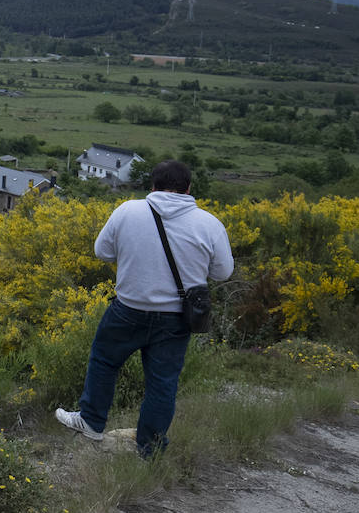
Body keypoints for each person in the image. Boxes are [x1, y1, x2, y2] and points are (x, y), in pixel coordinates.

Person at [55, 160, 234, 457]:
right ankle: (149, 450)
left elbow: (102, 252)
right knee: (162, 385)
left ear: (152, 185)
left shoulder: (128, 210)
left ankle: (91, 423)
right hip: (177, 318)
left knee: (104, 362)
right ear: (189, 189)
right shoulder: (210, 223)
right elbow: (222, 273)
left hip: (128, 310)